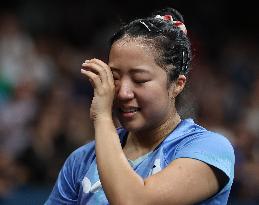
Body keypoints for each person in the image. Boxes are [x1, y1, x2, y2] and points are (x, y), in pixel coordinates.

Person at [45, 7, 235, 205]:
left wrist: (102, 117)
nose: (123, 93)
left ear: (177, 85)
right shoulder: (82, 160)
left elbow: (133, 201)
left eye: (139, 79)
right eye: (115, 78)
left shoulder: (208, 149)